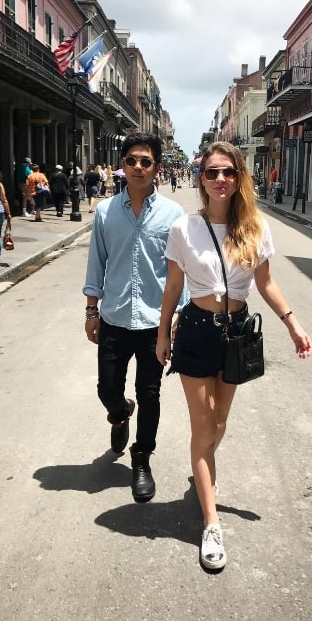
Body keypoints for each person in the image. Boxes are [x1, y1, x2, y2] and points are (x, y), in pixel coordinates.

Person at [156, 141, 312, 571]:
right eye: (211, 173)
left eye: (227, 172)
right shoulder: (184, 228)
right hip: (195, 332)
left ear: (239, 177)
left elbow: (267, 284)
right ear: (201, 179)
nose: (219, 179)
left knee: (219, 423)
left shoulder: (256, 227)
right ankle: (210, 522)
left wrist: (293, 323)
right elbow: (172, 287)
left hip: (236, 334)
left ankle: (203, 467)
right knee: (203, 424)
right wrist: (161, 333)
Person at [83, 133, 186, 504]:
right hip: (113, 316)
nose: (138, 167)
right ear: (121, 165)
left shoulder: (174, 215)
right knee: (107, 389)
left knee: (151, 393)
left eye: (145, 161)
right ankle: (120, 412)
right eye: (131, 160)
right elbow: (97, 262)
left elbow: (180, 272)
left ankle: (141, 459)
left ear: (157, 167)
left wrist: (177, 318)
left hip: (154, 324)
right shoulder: (105, 212)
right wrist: (91, 309)